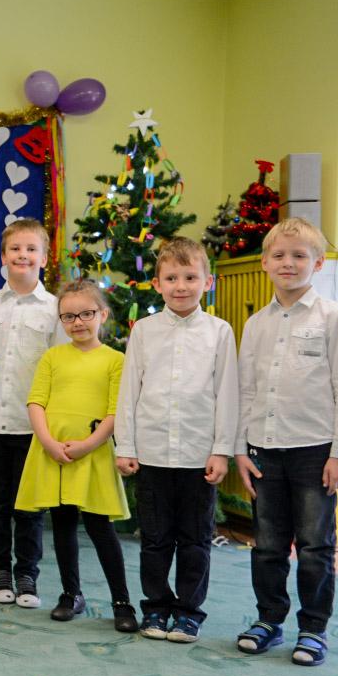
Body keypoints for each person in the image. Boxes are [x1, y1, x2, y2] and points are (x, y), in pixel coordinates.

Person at [234, 217, 338, 667]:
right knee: (267, 545)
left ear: (318, 263)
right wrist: (240, 450)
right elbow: (245, 390)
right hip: (264, 450)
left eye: (299, 255)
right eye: (280, 255)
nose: (288, 263)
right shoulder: (256, 324)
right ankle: (269, 620)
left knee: (314, 546)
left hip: (315, 452)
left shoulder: (334, 318)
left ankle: (313, 629)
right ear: (265, 262)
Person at [114, 237, 238, 642]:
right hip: (152, 454)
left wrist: (221, 450)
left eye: (190, 277)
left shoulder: (219, 332)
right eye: (171, 278)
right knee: (154, 539)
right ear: (157, 283)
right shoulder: (145, 332)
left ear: (207, 282)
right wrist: (126, 446)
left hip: (198, 456)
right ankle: (156, 607)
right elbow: (129, 392)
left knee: (195, 539)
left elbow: (227, 394)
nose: (180, 286)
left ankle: (188, 612)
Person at [16, 278, 137, 632]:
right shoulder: (53, 357)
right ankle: (71, 594)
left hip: (93, 454)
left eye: (86, 314)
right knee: (63, 525)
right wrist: (48, 442)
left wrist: (88, 444)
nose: (78, 322)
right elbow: (36, 402)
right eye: (68, 317)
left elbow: (115, 411)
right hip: (54, 454)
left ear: (103, 314)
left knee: (101, 528)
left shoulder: (115, 360)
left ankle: (122, 601)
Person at [0, 218, 63, 608]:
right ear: (3, 256)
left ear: (44, 257)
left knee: (29, 504)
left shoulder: (55, 309)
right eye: (15, 249)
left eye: (31, 249)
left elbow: (61, 370)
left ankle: (27, 573)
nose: (23, 255)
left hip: (33, 427)